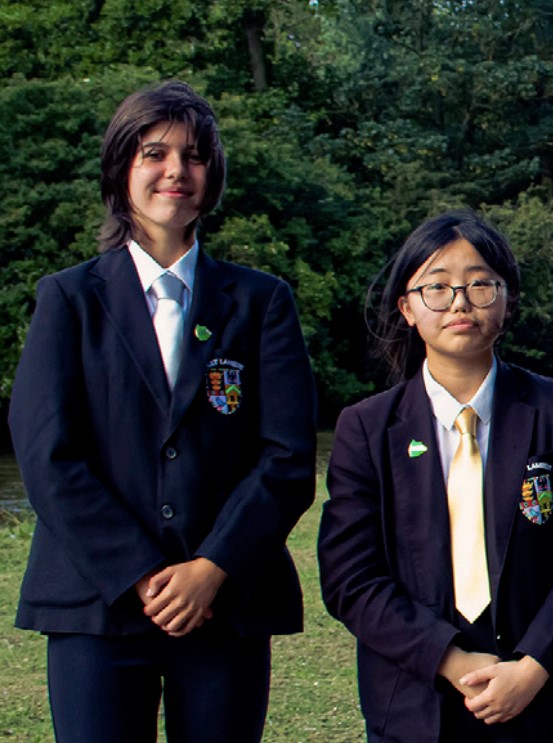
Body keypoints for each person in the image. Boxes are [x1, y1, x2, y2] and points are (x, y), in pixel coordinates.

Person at [7, 80, 317, 742]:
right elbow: (46, 453)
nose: (176, 170)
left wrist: (210, 568)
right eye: (155, 151)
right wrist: (142, 573)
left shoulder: (262, 302)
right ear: (122, 167)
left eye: (195, 154)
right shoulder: (68, 299)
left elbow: (286, 456)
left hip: (225, 605)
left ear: (213, 175)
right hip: (97, 606)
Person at [318, 210, 553, 742]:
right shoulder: (366, 428)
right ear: (407, 308)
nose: (460, 300)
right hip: (415, 706)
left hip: (543, 701)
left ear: (506, 300)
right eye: (436, 286)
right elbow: (351, 577)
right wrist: (451, 660)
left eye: (480, 284)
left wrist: (532, 667)